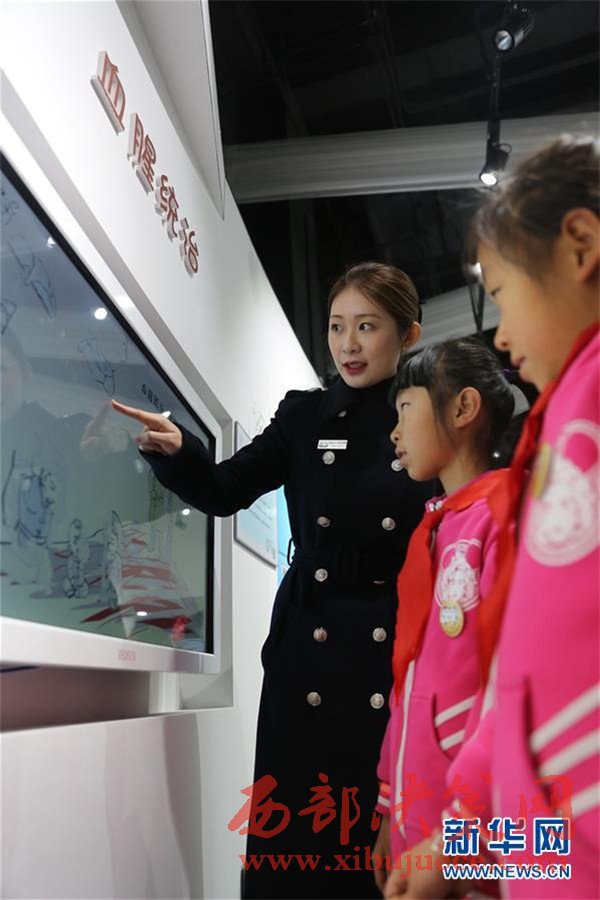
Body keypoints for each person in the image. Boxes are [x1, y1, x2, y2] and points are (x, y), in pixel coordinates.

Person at [112, 262, 438, 899]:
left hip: (392, 648)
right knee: (293, 830)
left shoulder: (423, 418)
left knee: (372, 830)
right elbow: (225, 488)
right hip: (306, 647)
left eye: (367, 327)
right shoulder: (304, 415)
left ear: (408, 335)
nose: (347, 344)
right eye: (337, 326)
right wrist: (181, 451)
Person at [386, 135, 599, 899]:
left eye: (504, 295)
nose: (501, 334)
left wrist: (459, 849)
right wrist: (456, 846)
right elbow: (520, 683)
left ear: (580, 246)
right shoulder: (561, 431)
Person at [371, 338, 514, 897]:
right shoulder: (433, 529)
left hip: (478, 836)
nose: (395, 432)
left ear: (462, 408)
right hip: (420, 819)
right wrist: (389, 810)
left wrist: (459, 845)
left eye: (405, 409)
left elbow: (512, 689)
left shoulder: (502, 517)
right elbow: (407, 680)